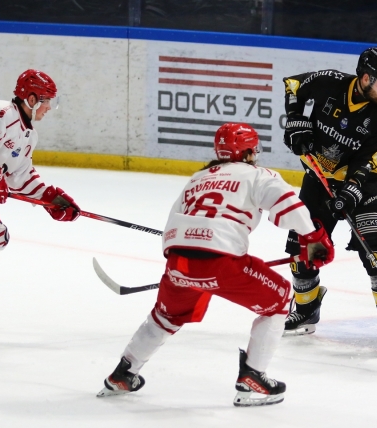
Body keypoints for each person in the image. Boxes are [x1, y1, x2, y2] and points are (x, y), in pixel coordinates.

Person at [97, 123, 335, 407]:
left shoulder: (198, 178)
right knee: (280, 299)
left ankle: (124, 373)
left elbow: (173, 222)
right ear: (249, 151)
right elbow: (288, 206)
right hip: (222, 260)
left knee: (166, 317)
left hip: (177, 262)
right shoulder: (258, 175)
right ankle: (253, 378)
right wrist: (313, 237)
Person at [281, 46, 377, 341]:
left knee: (375, 254)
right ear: (364, 78)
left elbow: (372, 162)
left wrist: (350, 192)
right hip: (318, 180)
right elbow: (293, 85)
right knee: (303, 250)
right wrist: (296, 120)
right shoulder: (329, 82)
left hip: (362, 188)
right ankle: (307, 310)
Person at [0, 69, 80, 327]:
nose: (49, 108)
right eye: (46, 100)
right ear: (31, 100)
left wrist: (50, 198)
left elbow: (19, 176)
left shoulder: (28, 135)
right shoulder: (0, 112)